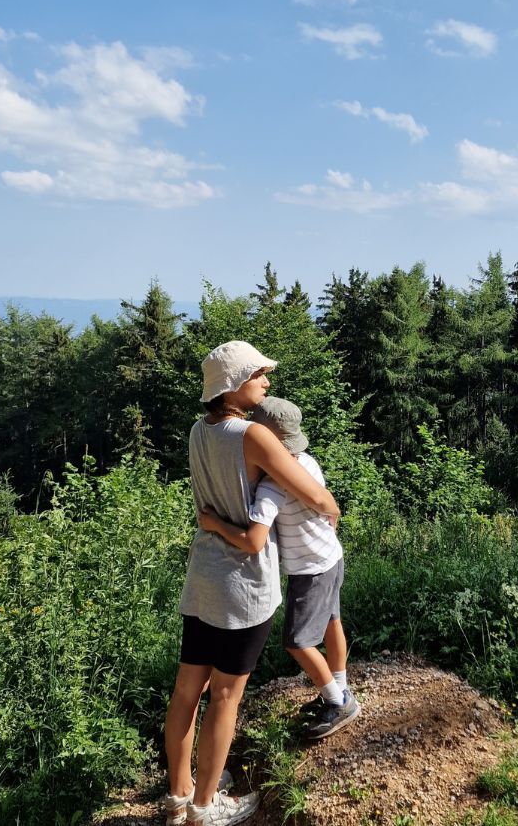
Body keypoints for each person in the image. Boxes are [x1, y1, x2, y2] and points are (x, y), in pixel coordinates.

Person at [164, 342, 340, 826]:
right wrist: (333, 509)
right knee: (225, 695)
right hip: (243, 586)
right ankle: (205, 807)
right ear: (234, 384)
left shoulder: (199, 431)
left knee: (187, 691)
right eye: (259, 375)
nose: (266, 383)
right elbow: (313, 494)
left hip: (203, 577)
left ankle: (178, 798)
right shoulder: (255, 436)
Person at [199, 397, 359, 740]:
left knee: (297, 641)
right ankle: (338, 688)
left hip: (310, 569)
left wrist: (214, 524)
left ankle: (338, 700)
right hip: (331, 557)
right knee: (333, 621)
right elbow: (325, 502)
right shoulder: (307, 462)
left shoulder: (272, 486)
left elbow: (254, 541)